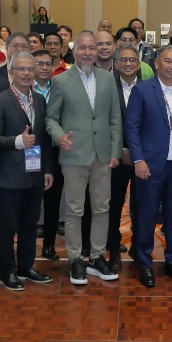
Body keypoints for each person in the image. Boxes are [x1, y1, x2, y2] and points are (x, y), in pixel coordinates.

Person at [46, 31, 123, 286]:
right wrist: (59, 137)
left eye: (92, 48)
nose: (88, 52)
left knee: (102, 209)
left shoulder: (108, 78)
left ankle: (97, 257)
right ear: (73, 50)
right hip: (74, 155)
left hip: (103, 156)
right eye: (83, 48)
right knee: (74, 210)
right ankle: (76, 259)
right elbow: (51, 119)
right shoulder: (61, 81)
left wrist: (115, 152)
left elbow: (115, 118)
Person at [125, 46, 172, 287]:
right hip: (149, 164)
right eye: (167, 61)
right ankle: (144, 263)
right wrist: (138, 159)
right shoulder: (142, 90)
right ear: (156, 63)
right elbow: (132, 128)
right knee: (146, 216)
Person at [0, 50, 54, 290]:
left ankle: (26, 266)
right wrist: (17, 141)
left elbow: (43, 139)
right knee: (7, 228)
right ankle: (7, 272)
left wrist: (47, 169)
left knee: (30, 224)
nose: (26, 73)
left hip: (35, 174)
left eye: (29, 69)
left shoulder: (40, 99)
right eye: (21, 69)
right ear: (11, 72)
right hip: (9, 175)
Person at [107, 45, 142, 272]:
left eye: (132, 60)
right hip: (115, 157)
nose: (128, 63)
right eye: (123, 59)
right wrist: (120, 149)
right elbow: (105, 121)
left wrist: (135, 151)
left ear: (138, 64)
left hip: (141, 159)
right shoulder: (108, 86)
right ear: (116, 63)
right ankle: (113, 249)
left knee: (141, 205)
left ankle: (138, 248)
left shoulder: (148, 87)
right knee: (113, 206)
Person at [33, 48, 65, 261]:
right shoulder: (25, 88)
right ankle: (27, 246)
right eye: (40, 64)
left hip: (55, 151)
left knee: (53, 200)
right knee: (31, 199)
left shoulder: (60, 87)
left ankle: (49, 245)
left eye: (48, 64)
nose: (44, 68)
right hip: (30, 150)